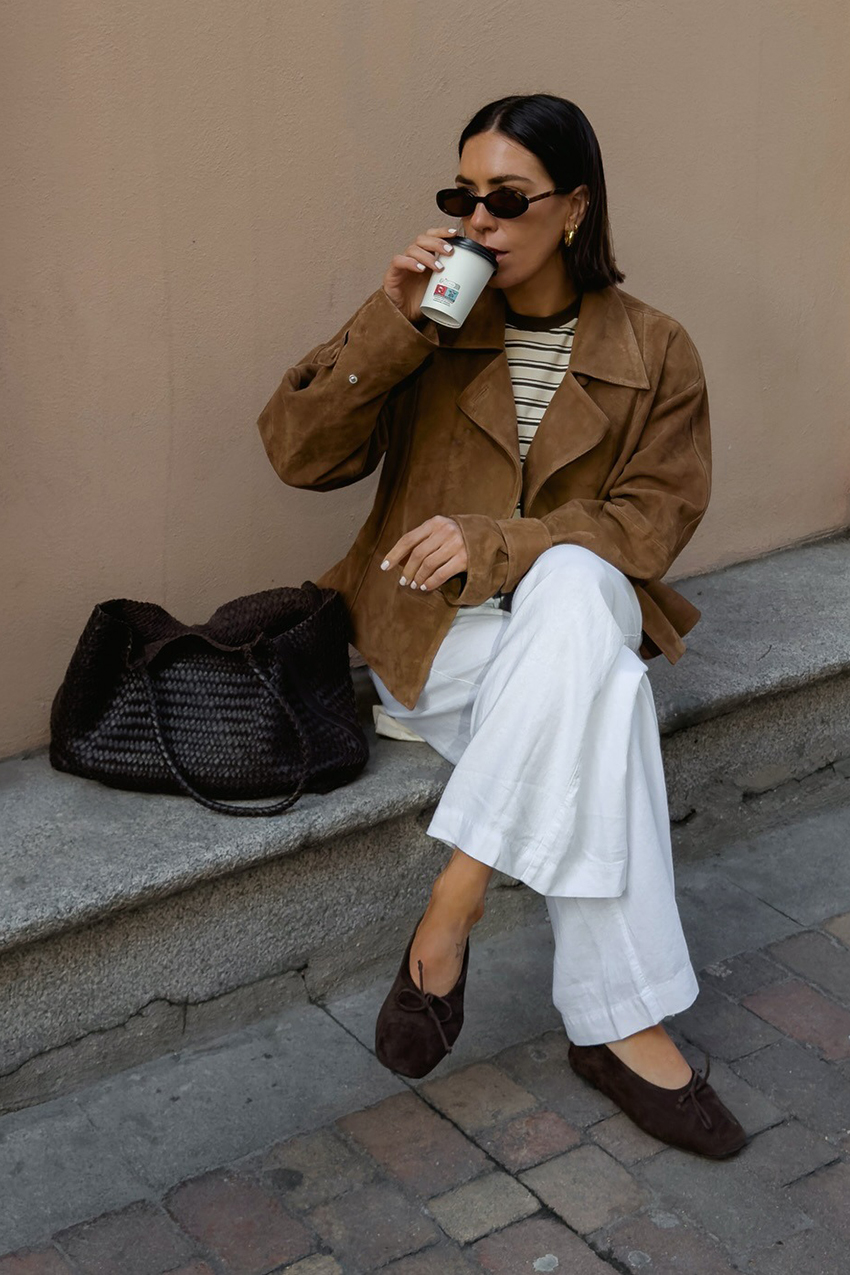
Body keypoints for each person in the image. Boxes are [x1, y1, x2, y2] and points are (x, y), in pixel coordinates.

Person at [257, 93, 747, 1158]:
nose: (479, 219)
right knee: (609, 700)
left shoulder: (657, 348)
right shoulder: (431, 324)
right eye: (463, 196)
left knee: (575, 591)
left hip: (565, 622)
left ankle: (458, 897)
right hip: (435, 635)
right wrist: (387, 320)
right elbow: (298, 455)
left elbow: (651, 524)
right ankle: (620, 1029)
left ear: (574, 208)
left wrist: (503, 543)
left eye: (508, 198)